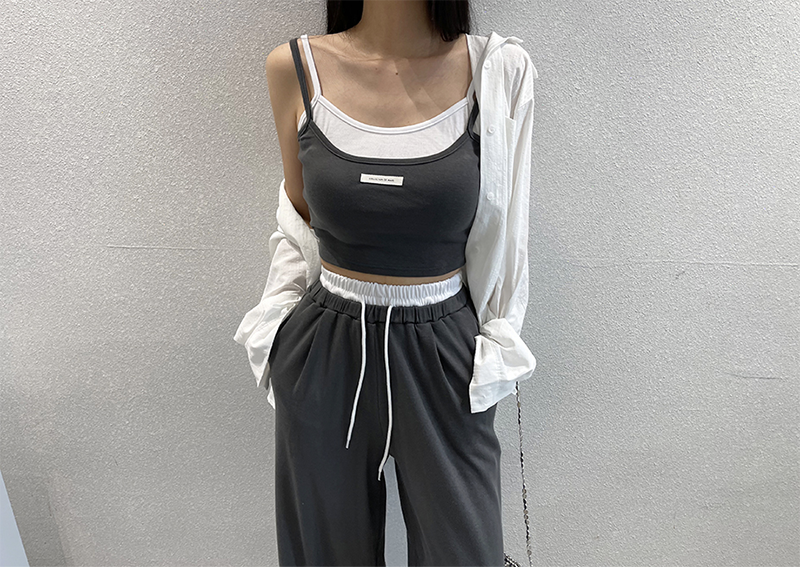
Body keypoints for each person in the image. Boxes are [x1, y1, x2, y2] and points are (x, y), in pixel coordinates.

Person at [234, 0, 539, 564]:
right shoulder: (293, 68)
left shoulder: (497, 71)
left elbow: (508, 232)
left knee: (465, 551)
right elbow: (297, 224)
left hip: (445, 352)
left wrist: (495, 346)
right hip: (325, 349)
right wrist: (279, 339)